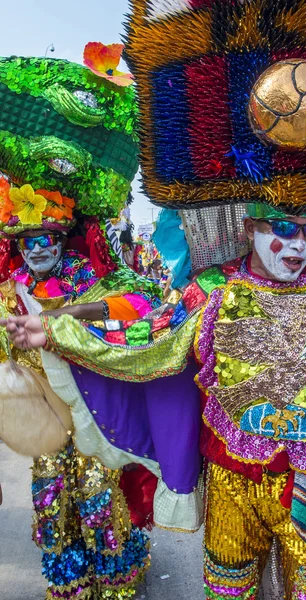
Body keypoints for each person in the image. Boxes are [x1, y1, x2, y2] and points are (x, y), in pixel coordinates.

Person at [4, 1, 306, 598]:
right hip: (231, 482)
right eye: (279, 229)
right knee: (229, 589)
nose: (295, 245)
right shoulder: (212, 290)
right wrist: (61, 332)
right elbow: (146, 342)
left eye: (304, 231)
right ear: (249, 228)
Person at [0, 47, 163, 599]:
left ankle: (116, 580)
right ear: (17, 244)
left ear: (64, 236)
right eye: (30, 241)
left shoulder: (91, 276)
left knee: (98, 500)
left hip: (97, 422)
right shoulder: (7, 291)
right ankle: (67, 585)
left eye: (48, 238)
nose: (40, 249)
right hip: (44, 425)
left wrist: (71, 315)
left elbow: (141, 306)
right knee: (51, 507)